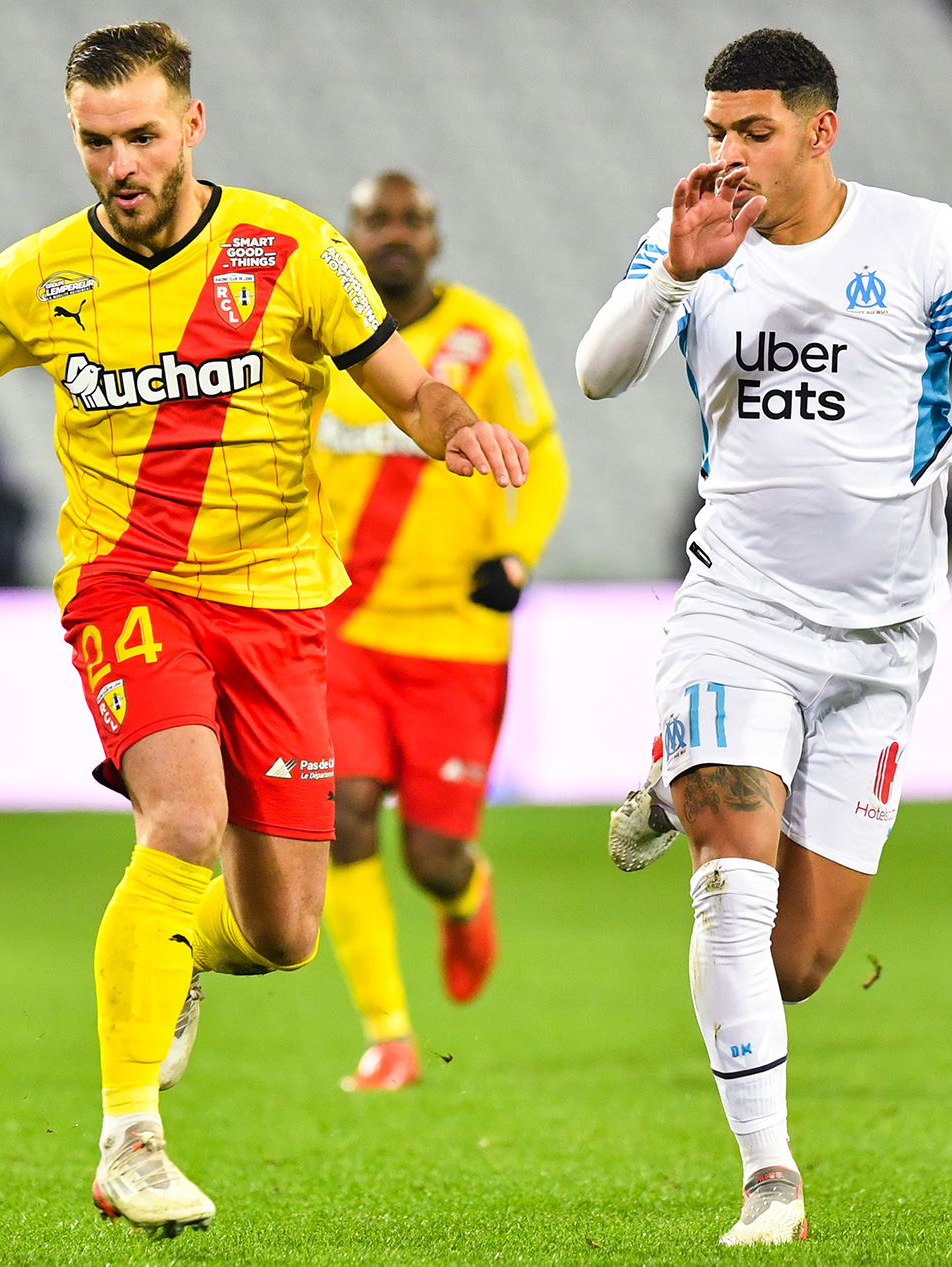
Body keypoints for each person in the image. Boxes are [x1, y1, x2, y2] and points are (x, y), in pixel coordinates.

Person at [0, 22, 528, 1236]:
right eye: (96, 142)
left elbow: (407, 386)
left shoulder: (292, 249)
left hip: (279, 610)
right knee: (182, 820)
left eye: (142, 135)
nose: (121, 164)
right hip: (130, 591)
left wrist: (457, 429)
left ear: (191, 125)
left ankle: (176, 950)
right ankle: (130, 1138)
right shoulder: (35, 278)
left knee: (283, 931)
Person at [575, 29, 952, 1246]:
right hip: (735, 613)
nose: (726, 155)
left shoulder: (920, 238)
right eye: (713, 132)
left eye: (751, 131)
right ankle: (769, 1179)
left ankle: (666, 774)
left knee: (798, 960)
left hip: (881, 646)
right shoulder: (691, 230)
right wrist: (674, 275)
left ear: (818, 129)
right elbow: (596, 374)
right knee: (731, 901)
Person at [313, 172, 569, 1091]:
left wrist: (517, 557)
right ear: (349, 235)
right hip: (343, 627)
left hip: (456, 638)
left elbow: (540, 460)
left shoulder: (486, 337)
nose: (394, 233)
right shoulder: (320, 337)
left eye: (410, 219)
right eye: (376, 219)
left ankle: (466, 891)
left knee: (431, 854)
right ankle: (388, 1034)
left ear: (436, 236)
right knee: (339, 811)